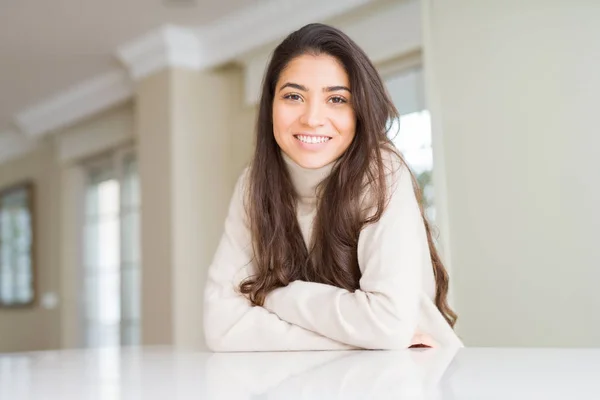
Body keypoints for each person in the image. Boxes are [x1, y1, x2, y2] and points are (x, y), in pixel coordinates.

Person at [203, 23, 463, 351]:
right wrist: (357, 340)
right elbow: (221, 326)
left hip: (409, 376)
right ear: (271, 105)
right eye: (294, 96)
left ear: (359, 111)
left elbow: (387, 324)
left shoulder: (382, 174)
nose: (313, 118)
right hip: (310, 379)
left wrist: (275, 296)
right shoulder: (253, 184)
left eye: (336, 99)